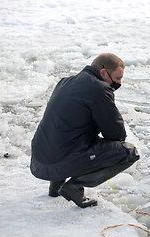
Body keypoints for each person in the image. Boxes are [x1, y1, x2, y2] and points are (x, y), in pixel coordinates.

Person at [30, 53, 139, 208]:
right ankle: (74, 187)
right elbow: (116, 134)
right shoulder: (99, 88)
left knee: (69, 135)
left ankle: (55, 186)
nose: (119, 83)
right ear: (103, 72)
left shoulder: (64, 82)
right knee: (128, 152)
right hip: (59, 159)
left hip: (40, 158)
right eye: (117, 78)